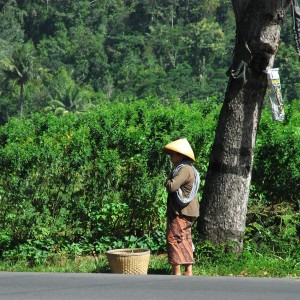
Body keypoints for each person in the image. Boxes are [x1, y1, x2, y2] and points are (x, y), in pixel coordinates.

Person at [162, 138, 200, 276]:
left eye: (173, 154)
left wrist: (167, 182)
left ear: (180, 155)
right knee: (185, 237)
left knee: (174, 237)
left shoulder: (184, 169)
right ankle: (188, 270)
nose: (171, 157)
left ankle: (176, 271)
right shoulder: (189, 168)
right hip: (189, 210)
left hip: (181, 211)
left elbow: (172, 187)